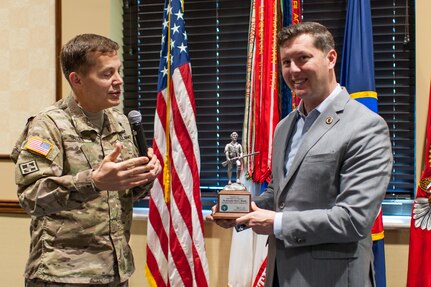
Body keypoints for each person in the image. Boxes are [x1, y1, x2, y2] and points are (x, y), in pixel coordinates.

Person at [208, 22, 393, 287]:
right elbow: (279, 194)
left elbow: (354, 220)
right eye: (286, 62)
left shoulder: (366, 126)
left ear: (330, 58)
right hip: (280, 274)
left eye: (303, 58)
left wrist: (277, 223)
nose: (293, 70)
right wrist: (240, 213)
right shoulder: (285, 126)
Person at [11, 34, 161, 287]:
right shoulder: (48, 125)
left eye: (119, 71)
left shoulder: (121, 123)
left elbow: (123, 194)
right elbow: (31, 198)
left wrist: (145, 176)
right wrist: (93, 181)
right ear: (76, 79)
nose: (118, 81)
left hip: (115, 271)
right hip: (62, 275)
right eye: (107, 74)